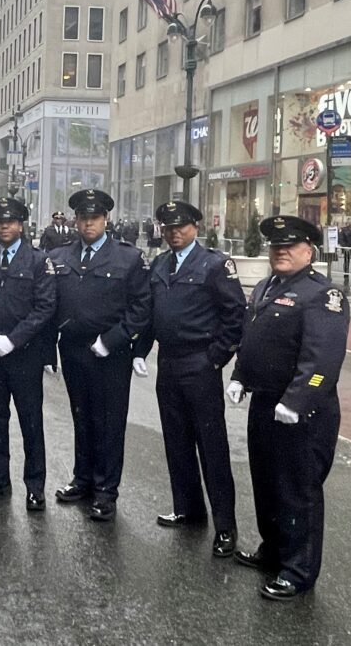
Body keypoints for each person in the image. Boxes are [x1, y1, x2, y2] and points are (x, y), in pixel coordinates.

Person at [226, 216, 349, 601]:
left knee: (298, 490)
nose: (280, 252)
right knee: (266, 482)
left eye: (289, 247)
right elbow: (254, 339)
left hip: (303, 412)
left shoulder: (322, 295)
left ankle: (298, 570)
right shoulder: (266, 286)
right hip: (265, 403)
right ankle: (274, 550)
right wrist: (240, 376)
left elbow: (322, 362)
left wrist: (297, 401)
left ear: (308, 251)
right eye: (275, 246)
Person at [134, 202, 244, 557]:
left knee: (212, 448)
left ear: (195, 227)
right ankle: (188, 509)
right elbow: (152, 314)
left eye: (180, 226)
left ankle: (225, 526)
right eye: (167, 227)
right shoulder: (161, 264)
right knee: (176, 443)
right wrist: (141, 349)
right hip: (169, 362)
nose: (173, 232)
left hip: (201, 363)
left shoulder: (214, 265)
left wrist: (217, 358)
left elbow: (235, 314)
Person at [51, 190, 151, 522]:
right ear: (75, 220)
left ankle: (106, 490)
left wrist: (112, 340)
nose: (88, 223)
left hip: (110, 353)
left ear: (106, 219)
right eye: (82, 217)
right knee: (81, 417)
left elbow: (141, 308)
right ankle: (83, 479)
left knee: (108, 422)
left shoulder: (128, 257)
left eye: (94, 218)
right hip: (74, 349)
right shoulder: (62, 256)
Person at [0, 197, 57, 509]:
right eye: (0, 222)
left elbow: (44, 307)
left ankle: (35, 485)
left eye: (12, 222)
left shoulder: (38, 261)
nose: (5, 226)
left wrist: (13, 340)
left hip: (24, 354)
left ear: (21, 225)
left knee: (30, 421)